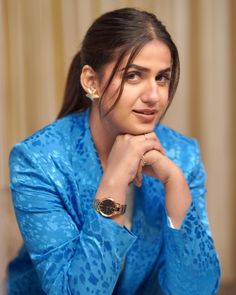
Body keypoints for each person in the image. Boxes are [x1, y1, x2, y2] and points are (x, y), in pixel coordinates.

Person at [7, 7, 220, 295]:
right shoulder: (39, 160)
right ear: (91, 82)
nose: (153, 96)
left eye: (162, 78)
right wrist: (114, 181)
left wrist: (176, 184)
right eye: (134, 75)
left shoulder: (182, 155)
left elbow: (198, 289)